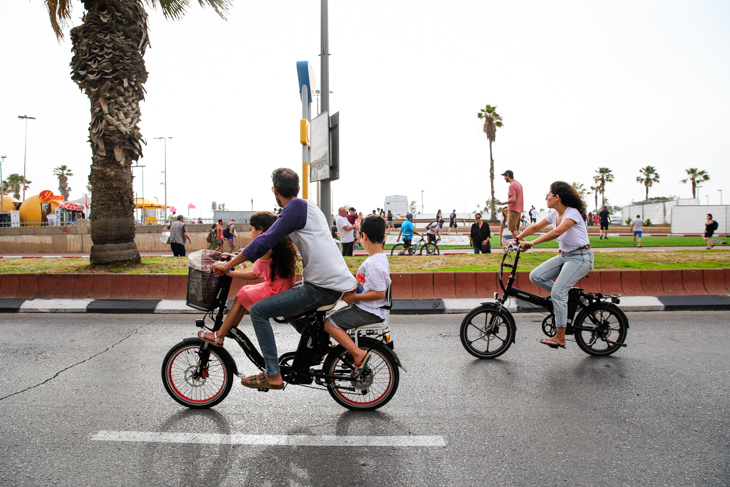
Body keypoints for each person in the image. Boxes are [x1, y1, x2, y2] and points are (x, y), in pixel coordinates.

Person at [212, 168, 357, 390]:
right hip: (328, 282)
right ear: (298, 189)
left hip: (322, 286)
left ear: (275, 190)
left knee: (260, 311)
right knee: (289, 307)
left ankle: (272, 374)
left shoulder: (294, 209)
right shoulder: (307, 206)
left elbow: (265, 240)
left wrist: (228, 265)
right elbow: (269, 240)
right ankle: (317, 348)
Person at [199, 212, 297, 347]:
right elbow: (255, 256)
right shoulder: (277, 244)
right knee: (244, 293)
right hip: (282, 288)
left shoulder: (265, 248)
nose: (250, 234)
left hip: (276, 291)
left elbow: (253, 275)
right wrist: (244, 253)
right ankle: (228, 329)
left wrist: (229, 273)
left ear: (260, 230)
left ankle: (219, 335)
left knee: (243, 293)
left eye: (251, 230)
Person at [515, 181, 594, 349]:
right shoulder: (554, 214)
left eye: (548, 195)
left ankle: (560, 337)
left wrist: (532, 243)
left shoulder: (572, 213)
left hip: (580, 258)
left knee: (558, 292)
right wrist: (516, 239)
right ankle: (563, 295)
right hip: (565, 256)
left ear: (557, 197)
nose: (546, 199)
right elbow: (536, 226)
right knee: (536, 276)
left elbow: (557, 232)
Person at [324, 215, 391, 378]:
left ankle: (357, 354)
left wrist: (354, 298)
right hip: (367, 308)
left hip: (369, 311)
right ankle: (346, 351)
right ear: (383, 238)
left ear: (364, 236)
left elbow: (379, 293)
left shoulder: (374, 263)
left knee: (329, 324)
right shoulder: (377, 260)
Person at [498, 170, 524, 237]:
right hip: (519, 209)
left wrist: (503, 203)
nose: (504, 178)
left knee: (512, 229)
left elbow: (513, 199)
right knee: (516, 230)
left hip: (513, 209)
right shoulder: (518, 184)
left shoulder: (511, 186)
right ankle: (521, 244)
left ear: (508, 175)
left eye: (504, 176)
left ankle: (523, 244)